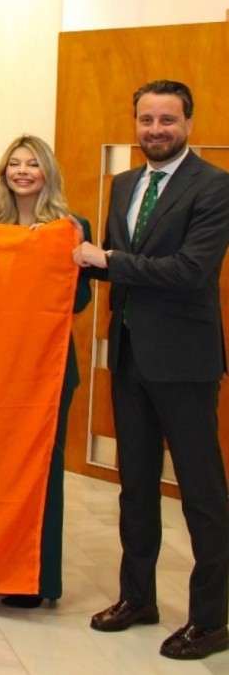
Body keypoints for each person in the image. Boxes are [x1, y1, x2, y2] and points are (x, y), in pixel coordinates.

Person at [74, 80, 229, 660]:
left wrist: (107, 258)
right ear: (134, 123)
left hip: (186, 361)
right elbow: (116, 266)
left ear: (189, 123)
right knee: (134, 485)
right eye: (146, 120)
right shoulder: (124, 183)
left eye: (168, 120)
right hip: (132, 353)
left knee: (201, 493)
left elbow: (190, 270)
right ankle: (137, 597)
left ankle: (212, 620)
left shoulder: (215, 187)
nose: (155, 130)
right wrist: (66, 247)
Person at [0, 134, 91, 610]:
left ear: (48, 172)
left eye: (32, 163)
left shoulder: (71, 227)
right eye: (15, 163)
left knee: (43, 468)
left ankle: (37, 579)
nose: (23, 171)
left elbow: (82, 301)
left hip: (48, 366)